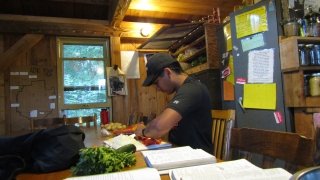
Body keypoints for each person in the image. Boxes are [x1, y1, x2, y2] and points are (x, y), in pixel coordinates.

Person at [135, 53, 213, 154]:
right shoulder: (184, 89)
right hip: (180, 152)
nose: (158, 89)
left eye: (157, 83)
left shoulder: (192, 89)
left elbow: (159, 127)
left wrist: (142, 132)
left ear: (167, 72)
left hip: (197, 157)